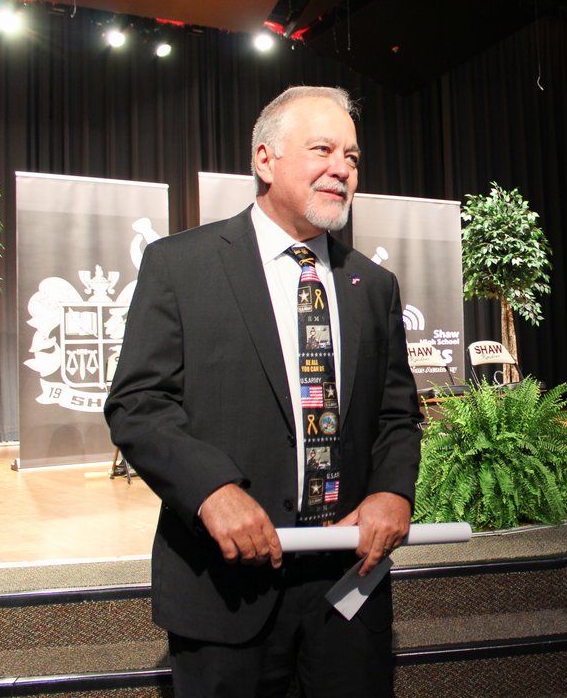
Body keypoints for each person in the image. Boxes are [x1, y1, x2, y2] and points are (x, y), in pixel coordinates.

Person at [105, 85, 422, 697]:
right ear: (264, 160)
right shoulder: (180, 266)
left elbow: (396, 414)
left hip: (348, 585)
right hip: (225, 588)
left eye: (352, 157)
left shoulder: (373, 284)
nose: (342, 169)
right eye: (323, 149)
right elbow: (138, 405)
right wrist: (210, 490)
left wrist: (391, 491)